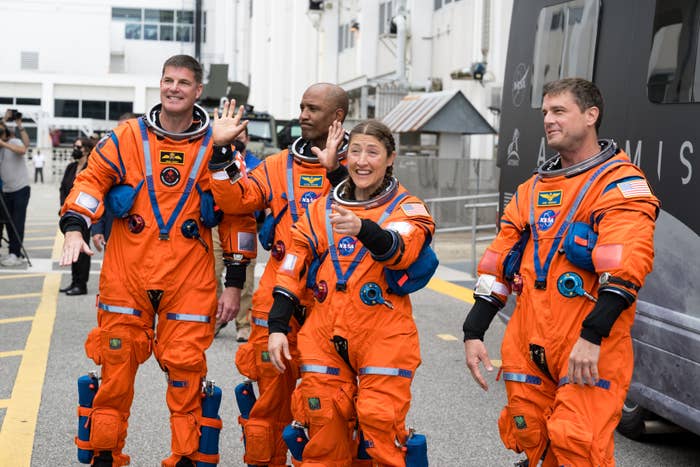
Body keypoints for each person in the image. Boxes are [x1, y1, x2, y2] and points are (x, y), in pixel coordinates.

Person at [59, 54, 256, 467]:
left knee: (186, 372)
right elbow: (90, 181)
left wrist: (234, 283)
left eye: (183, 82)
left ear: (198, 90)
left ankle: (186, 457)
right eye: (168, 80)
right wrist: (75, 225)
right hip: (127, 275)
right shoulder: (126, 138)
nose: (174, 88)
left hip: (188, 279)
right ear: (160, 83)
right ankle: (105, 455)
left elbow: (237, 214)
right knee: (115, 369)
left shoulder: (217, 145)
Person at [462, 78, 659, 467]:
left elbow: (625, 269)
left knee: (576, 445)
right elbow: (498, 262)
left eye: (559, 111)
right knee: (532, 438)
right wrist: (473, 331)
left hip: (587, 345)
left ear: (590, 115)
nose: (548, 120)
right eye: (545, 113)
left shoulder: (620, 184)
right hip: (528, 345)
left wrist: (592, 336)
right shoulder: (531, 191)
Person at [267, 119, 435, 465]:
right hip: (324, 333)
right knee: (322, 422)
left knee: (379, 421)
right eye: (355, 151)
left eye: (372, 152)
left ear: (390, 158)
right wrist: (277, 326)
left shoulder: (407, 208)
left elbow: (400, 250)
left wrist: (363, 229)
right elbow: (292, 268)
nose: (362, 161)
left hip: (383, 333)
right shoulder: (321, 209)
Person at [208, 83, 350, 467]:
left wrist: (337, 170)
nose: (303, 115)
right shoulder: (277, 165)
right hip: (278, 297)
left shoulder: (359, 165)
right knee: (269, 401)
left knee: (326, 404)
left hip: (333, 303)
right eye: (302, 106)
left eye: (313, 108)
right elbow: (237, 200)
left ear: (337, 116)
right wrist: (221, 151)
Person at [212, 125, 262, 342]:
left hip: (245, 223)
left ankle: (243, 323)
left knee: (246, 278)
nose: (235, 138)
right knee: (211, 271)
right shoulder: (215, 157)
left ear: (247, 139)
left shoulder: (256, 165)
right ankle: (218, 316)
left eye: (240, 135)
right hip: (217, 223)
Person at [91, 113, 138, 253]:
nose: (122, 134)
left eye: (127, 130)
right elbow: (99, 194)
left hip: (143, 236)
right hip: (112, 232)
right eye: (119, 130)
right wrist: (97, 229)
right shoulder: (109, 161)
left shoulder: (152, 159)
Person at [58, 137, 95, 295]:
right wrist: (63, 206)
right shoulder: (71, 167)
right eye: (74, 146)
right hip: (69, 212)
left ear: (87, 150)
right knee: (72, 246)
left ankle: (81, 284)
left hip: (85, 214)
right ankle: (74, 281)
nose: (75, 149)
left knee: (82, 249)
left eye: (78, 147)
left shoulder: (91, 167)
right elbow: (63, 188)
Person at [0, 119, 30, 267]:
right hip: (6, 190)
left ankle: (15, 254)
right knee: (7, 223)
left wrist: (3, 144)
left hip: (20, 189)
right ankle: (13, 251)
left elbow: (23, 150)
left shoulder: (14, 142)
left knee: (17, 222)